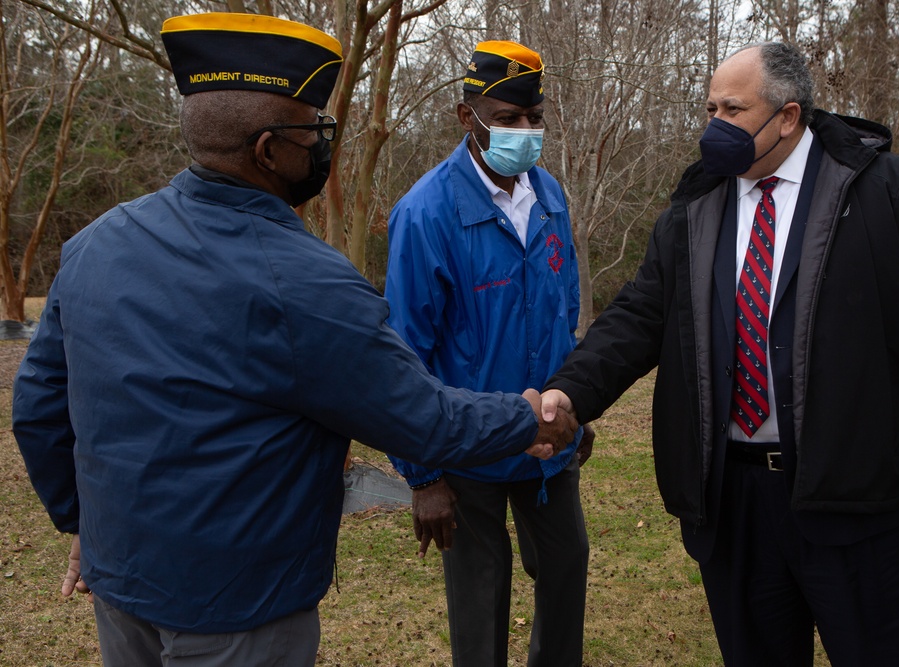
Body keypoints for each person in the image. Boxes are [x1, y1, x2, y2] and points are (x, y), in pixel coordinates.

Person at [11, 14, 577, 667]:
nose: (323, 145)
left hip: (119, 592)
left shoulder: (93, 247)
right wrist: (529, 416)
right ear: (269, 150)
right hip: (241, 613)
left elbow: (38, 410)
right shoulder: (308, 283)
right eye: (313, 129)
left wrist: (81, 523)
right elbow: (423, 417)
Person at [541, 42, 899, 665]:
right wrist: (571, 390)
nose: (714, 126)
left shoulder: (889, 190)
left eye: (732, 109)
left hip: (860, 498)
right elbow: (640, 315)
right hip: (734, 500)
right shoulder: (697, 204)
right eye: (709, 109)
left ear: (788, 116)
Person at [383, 40, 591, 667]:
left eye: (533, 119)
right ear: (465, 116)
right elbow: (405, 356)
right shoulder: (426, 214)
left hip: (547, 443)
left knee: (566, 569)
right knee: (480, 595)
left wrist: (577, 407)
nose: (523, 132)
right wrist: (423, 476)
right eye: (506, 118)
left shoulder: (549, 197)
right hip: (466, 449)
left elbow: (566, 310)